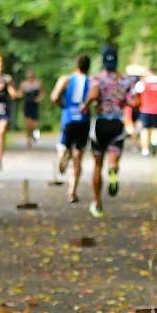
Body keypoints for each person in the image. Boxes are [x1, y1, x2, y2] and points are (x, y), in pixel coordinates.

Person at [84, 46, 134, 218]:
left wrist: (85, 105)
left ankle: (97, 203)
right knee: (113, 158)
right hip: (117, 124)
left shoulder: (96, 78)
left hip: (100, 123)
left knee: (97, 164)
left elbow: (94, 94)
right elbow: (133, 101)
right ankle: (113, 169)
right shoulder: (125, 80)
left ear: (103, 60)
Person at [50, 55, 91, 203]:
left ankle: (63, 154)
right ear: (88, 66)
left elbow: (54, 97)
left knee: (63, 145)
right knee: (78, 156)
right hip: (83, 120)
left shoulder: (65, 79)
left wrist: (64, 106)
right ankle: (72, 192)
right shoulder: (91, 81)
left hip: (68, 118)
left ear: (76, 65)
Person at [134, 66, 157, 157]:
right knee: (156, 129)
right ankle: (154, 142)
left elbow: (135, 96)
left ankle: (145, 151)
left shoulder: (142, 84)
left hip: (145, 110)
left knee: (144, 130)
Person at [19, 69, 44, 146]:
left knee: (35, 124)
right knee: (28, 124)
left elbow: (42, 93)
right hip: (27, 105)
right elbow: (20, 93)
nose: (30, 78)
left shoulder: (38, 83)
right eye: (29, 76)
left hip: (34, 105)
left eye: (32, 76)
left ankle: (35, 135)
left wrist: (39, 99)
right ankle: (28, 140)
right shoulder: (24, 84)